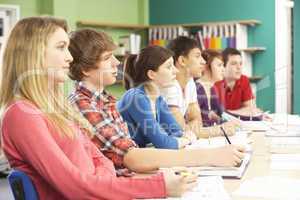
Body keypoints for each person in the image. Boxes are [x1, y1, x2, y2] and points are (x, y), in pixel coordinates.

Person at [0, 17, 196, 199]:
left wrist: (99, 177)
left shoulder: (57, 109)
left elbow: (101, 161)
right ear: (32, 54)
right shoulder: (21, 114)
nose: (69, 57)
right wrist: (159, 186)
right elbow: (74, 185)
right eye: (61, 48)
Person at [68, 29, 245, 175]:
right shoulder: (87, 104)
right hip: (123, 179)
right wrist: (208, 156)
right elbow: (134, 156)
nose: (117, 62)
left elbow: (176, 132)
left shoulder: (108, 100)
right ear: (85, 69)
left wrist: (186, 140)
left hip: (134, 172)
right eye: (107, 58)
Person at [163, 36, 238, 138]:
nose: (203, 62)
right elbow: (180, 131)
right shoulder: (170, 87)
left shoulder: (190, 83)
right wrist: (220, 130)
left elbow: (197, 121)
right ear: (182, 61)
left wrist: (191, 129)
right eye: (198, 56)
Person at [214, 48, 262, 118]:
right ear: (223, 66)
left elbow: (251, 110)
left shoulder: (244, 80)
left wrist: (228, 113)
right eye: (234, 64)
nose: (239, 67)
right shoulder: (215, 83)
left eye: (240, 63)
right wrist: (240, 112)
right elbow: (214, 114)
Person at [196, 49, 225, 126]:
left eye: (223, 65)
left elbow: (217, 116)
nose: (223, 69)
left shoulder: (212, 88)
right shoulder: (198, 89)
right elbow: (203, 124)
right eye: (219, 65)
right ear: (205, 67)